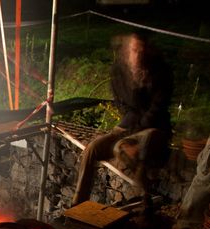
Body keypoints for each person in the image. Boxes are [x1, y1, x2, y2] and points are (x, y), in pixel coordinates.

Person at [71, 32, 173, 213]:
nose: (138, 54)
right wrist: (127, 124)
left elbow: (157, 109)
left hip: (153, 129)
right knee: (92, 148)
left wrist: (132, 131)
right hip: (128, 125)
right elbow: (119, 102)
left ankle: (145, 202)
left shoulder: (161, 72)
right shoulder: (120, 71)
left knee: (123, 147)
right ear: (127, 51)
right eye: (134, 50)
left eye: (142, 50)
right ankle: (77, 206)